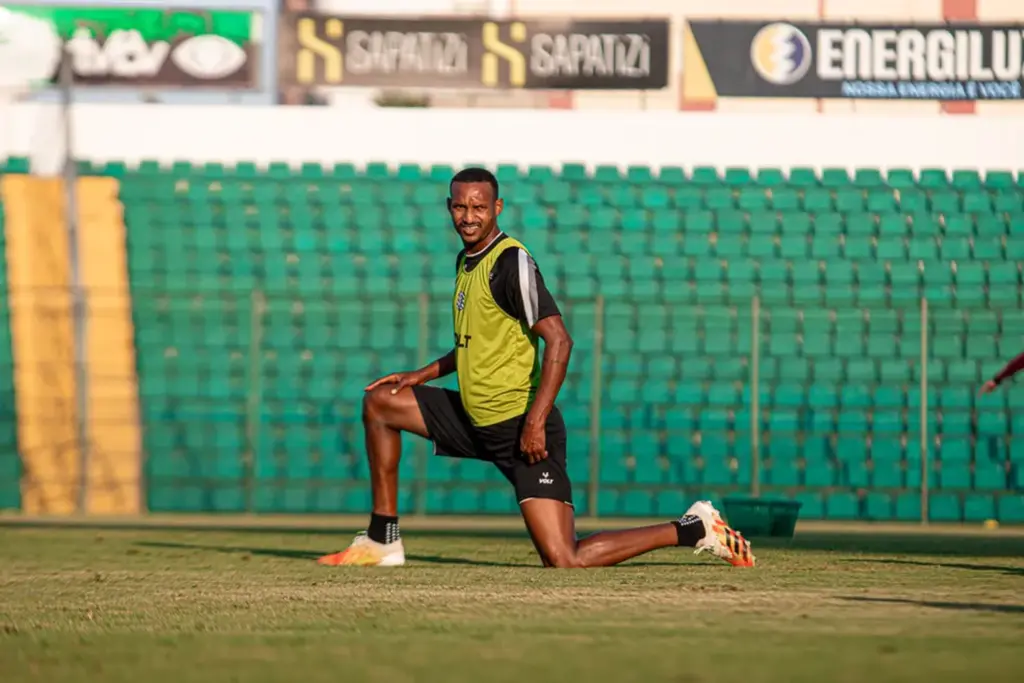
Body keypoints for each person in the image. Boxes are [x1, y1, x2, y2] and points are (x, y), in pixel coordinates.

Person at [317, 167, 755, 568]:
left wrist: (536, 422)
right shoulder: (465, 262)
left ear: (497, 208)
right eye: (460, 206)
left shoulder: (512, 262)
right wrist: (422, 375)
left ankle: (693, 528)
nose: (469, 216)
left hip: (519, 429)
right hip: (472, 418)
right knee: (380, 402)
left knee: (565, 559)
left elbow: (559, 339)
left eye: (479, 207)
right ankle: (382, 539)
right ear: (449, 206)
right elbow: (477, 344)